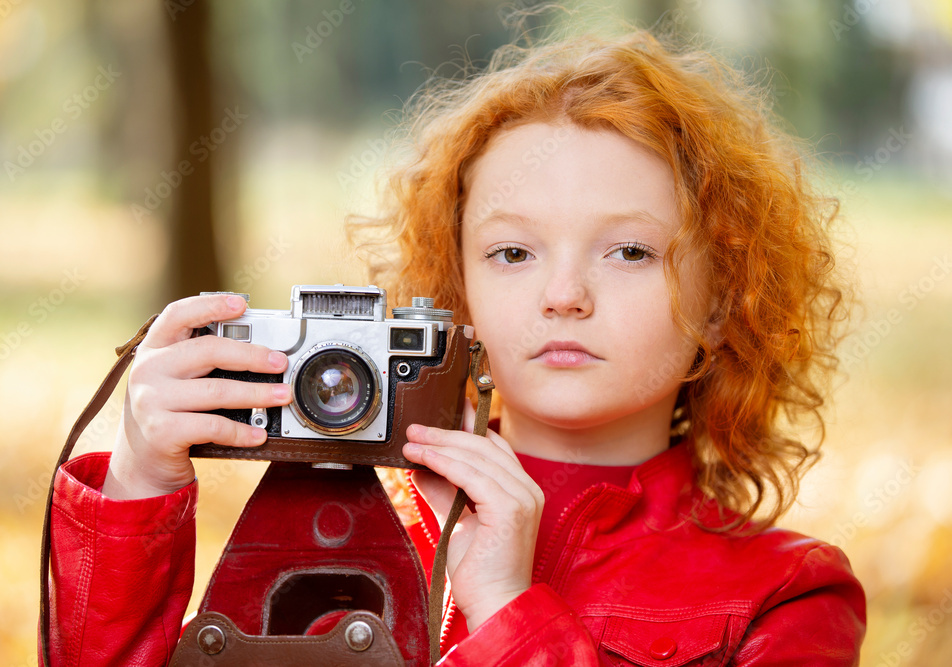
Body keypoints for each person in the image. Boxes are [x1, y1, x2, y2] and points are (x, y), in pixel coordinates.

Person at [43, 26, 866, 666]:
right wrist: (137, 484)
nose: (563, 294)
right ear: (458, 292)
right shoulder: (342, 516)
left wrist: (511, 609)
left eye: (630, 251)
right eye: (513, 252)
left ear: (724, 302)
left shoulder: (789, 595)